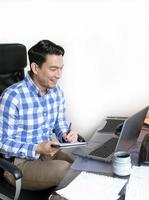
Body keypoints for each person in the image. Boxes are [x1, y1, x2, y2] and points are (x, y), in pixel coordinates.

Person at [0, 40, 78, 190]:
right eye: (54, 69)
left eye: (61, 69)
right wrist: (37, 148)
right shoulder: (12, 97)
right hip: (19, 163)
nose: (59, 75)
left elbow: (59, 123)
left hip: (48, 153)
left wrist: (66, 135)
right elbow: (2, 142)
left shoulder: (56, 92)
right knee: (66, 171)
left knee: (83, 166)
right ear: (35, 68)